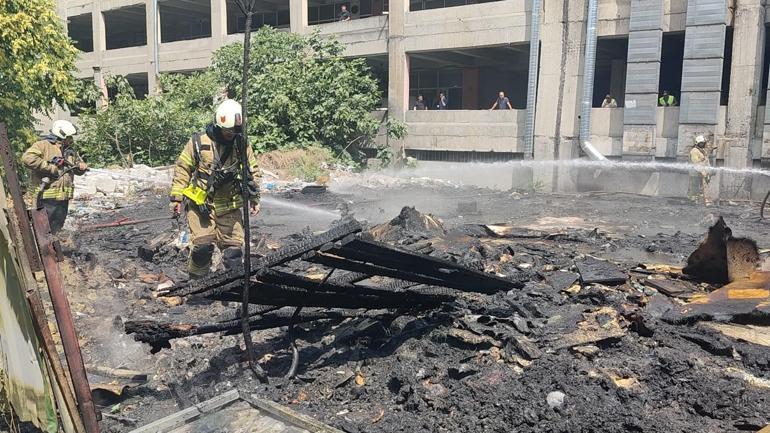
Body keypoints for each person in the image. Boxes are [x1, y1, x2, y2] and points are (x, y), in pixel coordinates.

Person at [169, 99, 261, 278]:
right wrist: (176, 198)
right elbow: (183, 169)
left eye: (234, 130)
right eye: (227, 130)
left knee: (233, 252)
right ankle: (197, 284)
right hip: (201, 205)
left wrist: (254, 197)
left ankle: (234, 287)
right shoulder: (198, 143)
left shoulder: (242, 144)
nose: (231, 134)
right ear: (219, 125)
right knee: (202, 248)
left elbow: (253, 171)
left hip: (230, 206)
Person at [22, 120, 88, 234]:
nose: (71, 140)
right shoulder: (42, 145)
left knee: (57, 227)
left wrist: (80, 168)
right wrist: (51, 168)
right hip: (45, 196)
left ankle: (55, 249)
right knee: (43, 229)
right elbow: (28, 159)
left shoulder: (70, 151)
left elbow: (73, 168)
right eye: (69, 137)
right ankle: (42, 250)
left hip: (63, 197)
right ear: (61, 135)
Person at [688, 135, 713, 205]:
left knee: (703, 188)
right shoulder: (694, 151)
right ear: (697, 143)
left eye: (703, 143)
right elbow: (696, 164)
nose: (702, 144)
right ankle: (693, 202)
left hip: (703, 173)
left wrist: (708, 172)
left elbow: (705, 161)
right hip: (696, 173)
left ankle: (702, 201)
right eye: (701, 143)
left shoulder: (702, 151)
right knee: (695, 188)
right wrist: (703, 172)